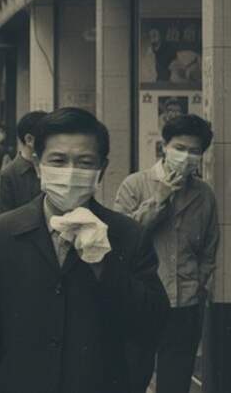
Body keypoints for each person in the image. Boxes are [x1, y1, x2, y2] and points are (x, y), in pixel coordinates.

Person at [0, 107, 170, 393]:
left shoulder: (128, 234)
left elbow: (152, 321)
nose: (70, 172)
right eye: (58, 160)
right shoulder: (0, 234)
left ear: (101, 169)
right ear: (37, 164)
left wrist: (103, 264)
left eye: (84, 162)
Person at [113, 114, 219, 393]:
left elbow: (209, 248)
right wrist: (158, 199)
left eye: (194, 151)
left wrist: (199, 284)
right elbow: (121, 240)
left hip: (185, 303)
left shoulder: (204, 194)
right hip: (140, 300)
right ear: (164, 146)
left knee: (176, 382)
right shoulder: (135, 184)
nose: (186, 157)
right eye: (180, 148)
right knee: (131, 377)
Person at [0, 110, 48, 214]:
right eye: (47, 137)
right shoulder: (9, 174)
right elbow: (4, 217)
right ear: (29, 139)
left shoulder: (53, 166)